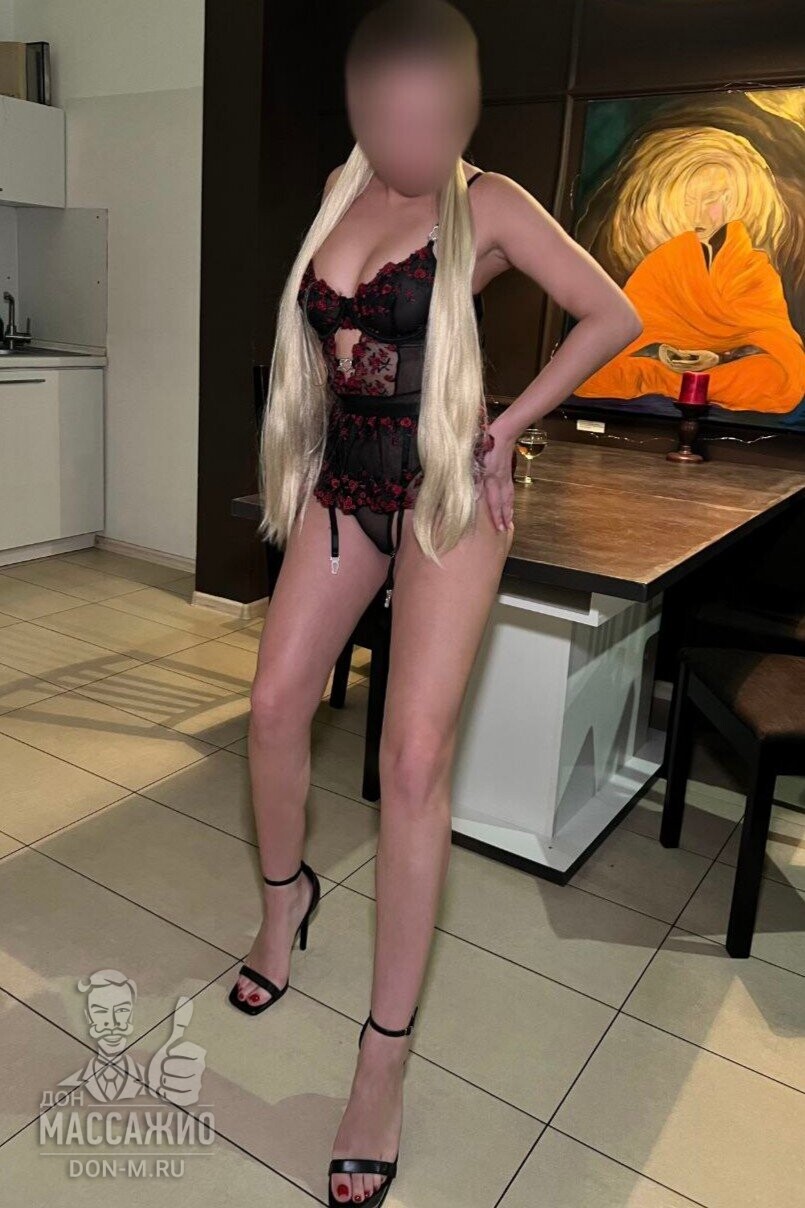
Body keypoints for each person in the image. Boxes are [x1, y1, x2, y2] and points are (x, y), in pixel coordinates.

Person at [231, 3, 642, 1205]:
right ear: (359, 108)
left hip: (445, 492)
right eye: (389, 118)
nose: (410, 140)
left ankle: (383, 1061)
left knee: (411, 762)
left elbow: (614, 313)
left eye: (432, 119)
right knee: (272, 708)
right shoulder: (337, 189)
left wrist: (507, 428)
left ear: (463, 110)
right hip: (342, 480)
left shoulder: (490, 203)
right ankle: (284, 904)